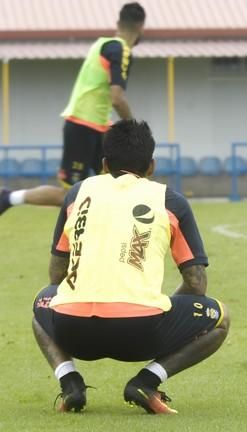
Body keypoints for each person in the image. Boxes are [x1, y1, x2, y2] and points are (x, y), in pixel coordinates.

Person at [32, 120, 229, 414]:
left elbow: (56, 274)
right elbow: (196, 283)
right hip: (141, 332)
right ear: (151, 166)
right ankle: (147, 382)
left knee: (41, 301)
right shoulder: (170, 201)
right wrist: (163, 307)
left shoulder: (76, 194)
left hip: (73, 330)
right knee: (220, 318)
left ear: (103, 163)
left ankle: (70, 383)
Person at [0, 2, 145, 216]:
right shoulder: (121, 50)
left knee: (115, 182)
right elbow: (117, 98)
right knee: (69, 196)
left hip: (98, 126)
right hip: (83, 125)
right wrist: (133, 129)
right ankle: (8, 198)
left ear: (118, 23)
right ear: (141, 27)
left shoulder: (102, 44)